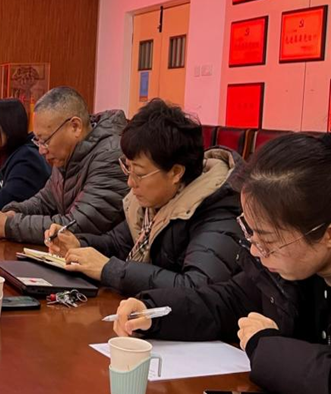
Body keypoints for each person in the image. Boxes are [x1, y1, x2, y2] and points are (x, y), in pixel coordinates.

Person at [112, 133, 331, 394]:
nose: (255, 250)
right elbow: (228, 301)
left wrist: (264, 346)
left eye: (267, 240)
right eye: (250, 232)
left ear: (327, 234)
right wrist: (154, 312)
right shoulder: (288, 268)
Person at [46, 99, 243, 294]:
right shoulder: (156, 200)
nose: (130, 182)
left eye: (139, 173)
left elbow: (197, 289)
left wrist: (110, 270)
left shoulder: (218, 211)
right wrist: (77, 244)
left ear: (176, 172)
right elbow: (117, 243)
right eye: (128, 168)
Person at [0, 86, 127, 243]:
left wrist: (8, 226)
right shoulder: (66, 153)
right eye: (38, 141)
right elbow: (44, 201)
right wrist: (12, 212)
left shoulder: (110, 156)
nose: (41, 150)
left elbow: (77, 225)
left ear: (75, 127)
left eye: (45, 140)